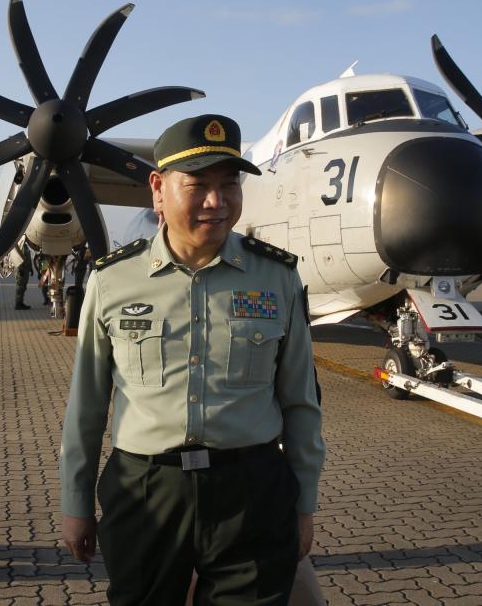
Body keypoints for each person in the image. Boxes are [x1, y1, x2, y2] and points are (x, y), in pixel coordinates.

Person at [60, 114, 325, 605]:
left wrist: (303, 502)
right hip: (145, 492)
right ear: (158, 189)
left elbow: (300, 402)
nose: (216, 202)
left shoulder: (277, 278)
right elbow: (87, 405)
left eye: (229, 185)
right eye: (198, 185)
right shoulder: (112, 280)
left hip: (252, 489)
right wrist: (75, 501)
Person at [14, 239, 33, 310]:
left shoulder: (25, 247)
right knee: (20, 287)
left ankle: (20, 302)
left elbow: (28, 258)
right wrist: (20, 269)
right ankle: (18, 304)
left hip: (26, 270)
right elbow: (17, 258)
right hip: (21, 270)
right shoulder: (20, 246)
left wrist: (31, 268)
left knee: (23, 287)